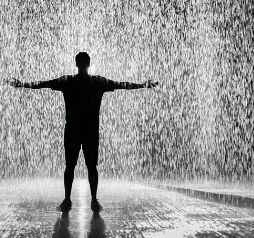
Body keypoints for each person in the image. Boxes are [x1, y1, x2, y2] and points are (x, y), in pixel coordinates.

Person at [9, 52, 159, 213]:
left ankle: (67, 200)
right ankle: (94, 201)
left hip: (72, 130)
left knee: (70, 166)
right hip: (91, 131)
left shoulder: (68, 81)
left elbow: (42, 84)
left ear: (76, 64)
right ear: (89, 64)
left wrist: (22, 84)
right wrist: (143, 85)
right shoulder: (98, 82)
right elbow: (122, 85)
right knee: (91, 166)